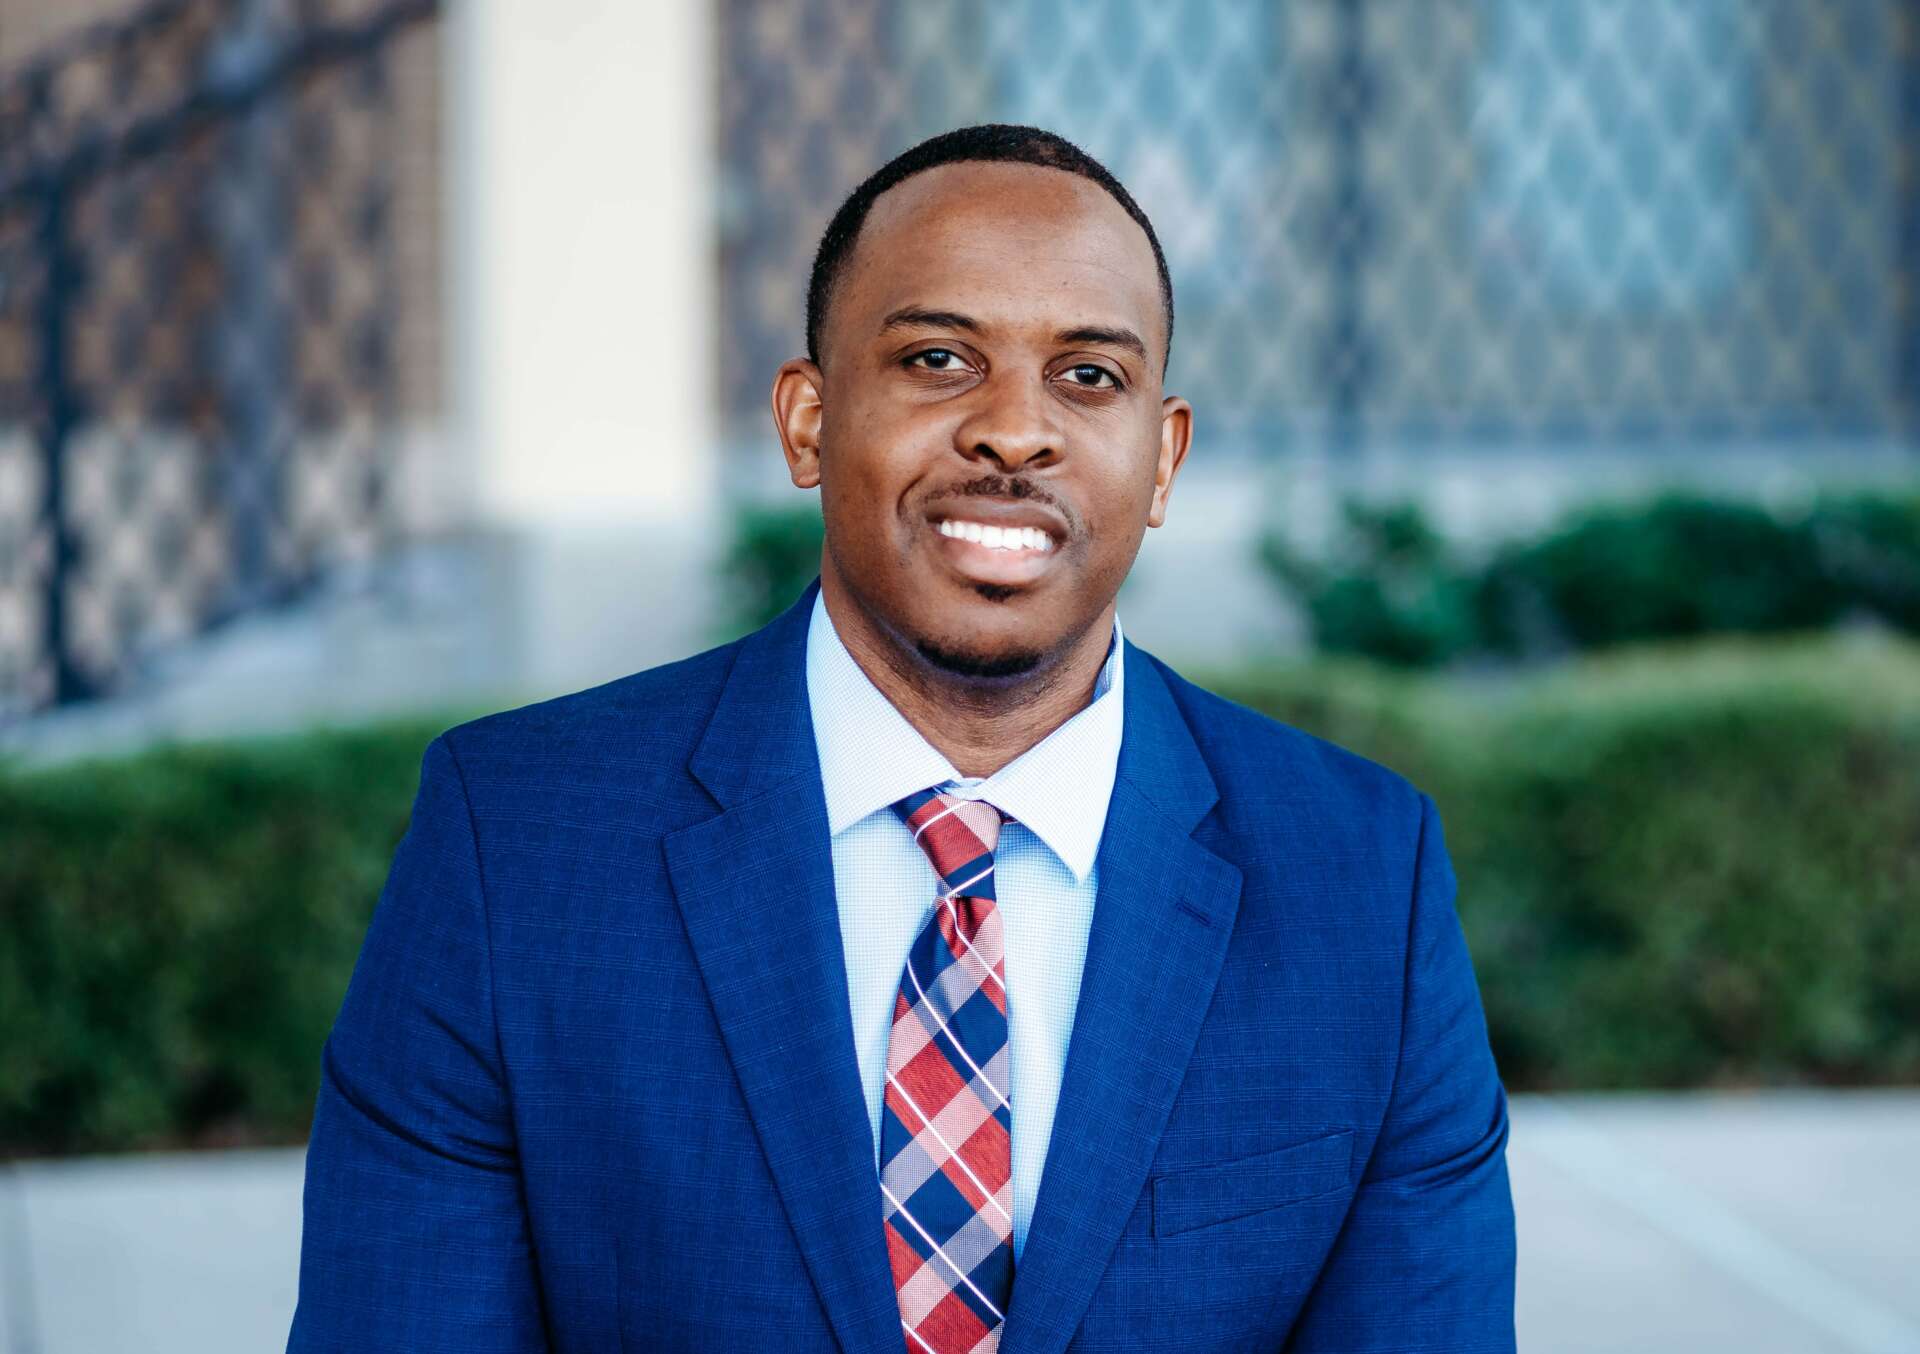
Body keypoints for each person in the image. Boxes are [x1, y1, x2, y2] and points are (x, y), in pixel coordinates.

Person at [287, 123, 1515, 1354]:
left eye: (1089, 376)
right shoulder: (514, 845)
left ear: (1163, 457)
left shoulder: (1365, 878)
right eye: (938, 358)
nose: (1015, 432)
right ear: (808, 421)